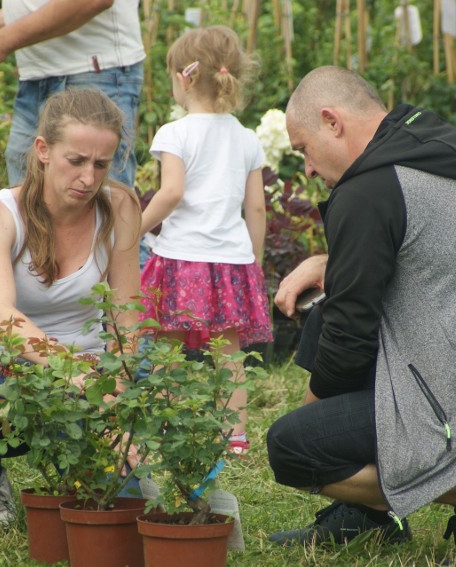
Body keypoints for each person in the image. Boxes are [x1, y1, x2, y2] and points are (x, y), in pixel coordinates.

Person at [265, 67, 456, 565]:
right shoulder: (428, 143)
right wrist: (330, 264)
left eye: (302, 148)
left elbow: (349, 348)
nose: (305, 168)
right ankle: (369, 516)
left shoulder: (367, 191)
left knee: (295, 447)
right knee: (330, 314)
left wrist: (311, 422)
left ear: (332, 121)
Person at [0, 88, 141, 526]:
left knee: (108, 504)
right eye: (76, 160)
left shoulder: (119, 206)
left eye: (101, 164)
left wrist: (117, 393)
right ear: (43, 150)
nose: (88, 177)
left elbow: (126, 314)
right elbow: (1, 316)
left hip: (89, 369)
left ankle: (118, 466)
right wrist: (72, 374)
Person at [138, 26, 272, 456]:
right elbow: (256, 209)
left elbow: (171, 192)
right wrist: (253, 260)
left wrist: (134, 229)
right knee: (228, 351)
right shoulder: (246, 137)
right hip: (230, 260)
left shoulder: (174, 134)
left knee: (168, 347)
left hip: (181, 258)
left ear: (184, 78)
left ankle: (167, 423)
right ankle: (235, 435)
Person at [0, 0, 145, 188]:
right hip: (36, 77)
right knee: (26, 202)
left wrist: (1, 40)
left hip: (94, 71)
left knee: (99, 204)